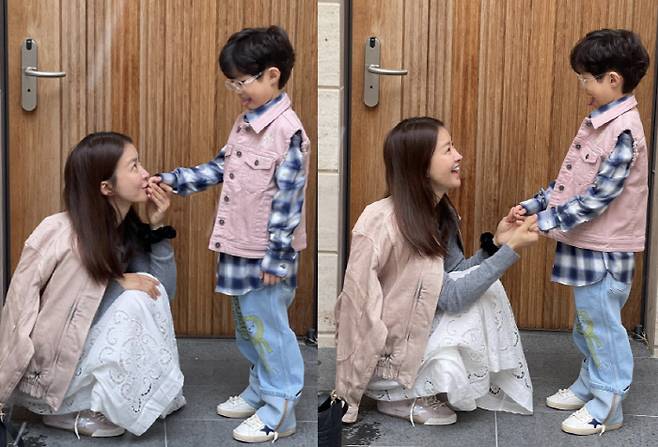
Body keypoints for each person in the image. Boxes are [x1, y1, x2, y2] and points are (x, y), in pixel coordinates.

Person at [152, 25, 310, 443]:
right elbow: (221, 167)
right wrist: (174, 180)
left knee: (269, 329)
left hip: (266, 254)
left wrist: (277, 258)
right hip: (239, 246)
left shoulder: (288, 133)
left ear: (272, 75)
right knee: (248, 325)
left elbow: (288, 203)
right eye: (233, 82)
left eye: (242, 82)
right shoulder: (246, 123)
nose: (237, 90)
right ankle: (261, 388)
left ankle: (281, 408)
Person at [335, 117, 538, 426]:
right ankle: (396, 396)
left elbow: (454, 272)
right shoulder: (383, 221)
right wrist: (348, 395)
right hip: (385, 356)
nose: (458, 156)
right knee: (480, 293)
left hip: (412, 332)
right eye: (447, 150)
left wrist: (496, 244)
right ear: (420, 165)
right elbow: (357, 308)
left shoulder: (437, 212)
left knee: (488, 289)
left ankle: (421, 383)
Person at [0, 131, 184, 438]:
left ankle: (107, 402)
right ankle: (64, 411)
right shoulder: (60, 233)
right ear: (106, 187)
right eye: (134, 167)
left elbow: (161, 292)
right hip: (51, 372)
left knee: (141, 295)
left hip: (84, 354)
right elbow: (20, 309)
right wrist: (5, 383)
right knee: (133, 299)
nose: (145, 174)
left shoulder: (126, 230)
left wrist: (158, 228)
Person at [513, 28, 650, 436]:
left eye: (586, 79)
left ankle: (608, 404)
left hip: (604, 251)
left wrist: (547, 221)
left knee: (602, 328)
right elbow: (571, 184)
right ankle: (590, 384)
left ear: (613, 79)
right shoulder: (600, 122)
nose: (582, 87)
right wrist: (537, 203)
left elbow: (598, 197)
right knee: (587, 324)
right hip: (586, 245)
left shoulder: (623, 131)